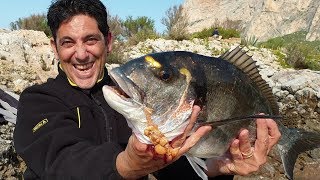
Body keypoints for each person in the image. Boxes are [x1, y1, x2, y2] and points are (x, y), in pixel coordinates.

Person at [13, 0, 281, 179]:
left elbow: (175, 168)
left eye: (91, 40)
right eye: (68, 42)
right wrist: (125, 164)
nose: (81, 54)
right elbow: (58, 162)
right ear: (54, 47)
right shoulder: (37, 101)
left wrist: (220, 168)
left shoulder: (136, 102)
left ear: (108, 41)